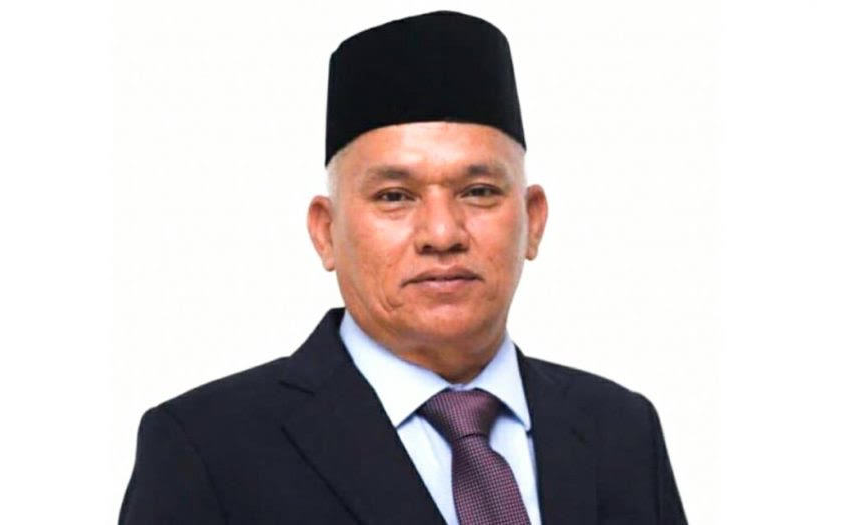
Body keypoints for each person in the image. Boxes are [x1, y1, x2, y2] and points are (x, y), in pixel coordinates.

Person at [119, 10, 687, 525]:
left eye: (479, 191)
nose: (442, 234)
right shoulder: (209, 450)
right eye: (394, 196)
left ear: (532, 220)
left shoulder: (620, 430)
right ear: (326, 231)